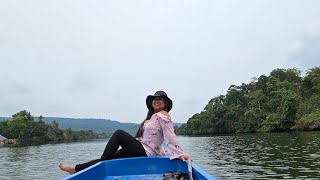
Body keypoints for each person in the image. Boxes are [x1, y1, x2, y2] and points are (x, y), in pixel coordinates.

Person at [59, 90, 190, 174]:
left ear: (165, 103)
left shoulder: (163, 115)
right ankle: (75, 169)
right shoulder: (151, 118)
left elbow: (170, 135)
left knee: (119, 134)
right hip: (142, 148)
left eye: (160, 99)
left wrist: (179, 153)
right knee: (109, 158)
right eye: (154, 99)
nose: (156, 100)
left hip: (147, 152)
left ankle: (101, 166)